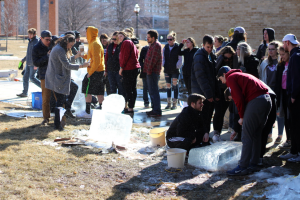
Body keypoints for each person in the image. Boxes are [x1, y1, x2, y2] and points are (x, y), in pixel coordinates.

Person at [217, 66, 271, 176]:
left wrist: (242, 117)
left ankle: (242, 166)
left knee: (246, 135)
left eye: (221, 79)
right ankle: (253, 164)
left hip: (256, 101)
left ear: (223, 74)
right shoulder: (241, 75)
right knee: (256, 134)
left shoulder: (231, 77)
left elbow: (238, 99)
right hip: (266, 100)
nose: (222, 82)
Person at [45, 34, 90, 130]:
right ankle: (57, 125)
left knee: (61, 101)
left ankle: (58, 123)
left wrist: (76, 56)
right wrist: (82, 65)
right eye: (71, 45)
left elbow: (66, 60)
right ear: (66, 42)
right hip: (57, 79)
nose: (71, 47)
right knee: (60, 102)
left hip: (57, 77)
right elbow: (67, 65)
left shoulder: (59, 48)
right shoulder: (60, 50)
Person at [191, 35, 220, 133]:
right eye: (208, 47)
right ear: (203, 45)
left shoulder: (210, 56)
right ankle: (202, 138)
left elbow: (213, 77)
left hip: (207, 93)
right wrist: (209, 95)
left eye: (212, 47)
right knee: (202, 118)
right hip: (202, 93)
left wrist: (215, 94)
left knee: (208, 117)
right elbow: (201, 78)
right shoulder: (200, 57)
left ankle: (206, 136)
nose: (210, 49)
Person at [279, 34, 300, 162]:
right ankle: (294, 151)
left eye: (284, 43)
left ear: (287, 43)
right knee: (293, 124)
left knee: (296, 125)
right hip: (294, 96)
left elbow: (296, 79)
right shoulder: (295, 55)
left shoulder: (295, 57)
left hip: (296, 98)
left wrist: (293, 95)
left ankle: (297, 152)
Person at [77, 26, 105, 118]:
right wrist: (82, 55)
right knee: (99, 91)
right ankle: (101, 110)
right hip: (98, 71)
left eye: (86, 32)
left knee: (87, 90)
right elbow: (91, 57)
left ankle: (88, 111)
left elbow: (96, 62)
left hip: (95, 71)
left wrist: (89, 74)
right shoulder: (93, 42)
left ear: (90, 33)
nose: (85, 34)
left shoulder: (95, 44)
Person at [259, 41, 282, 143]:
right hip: (268, 90)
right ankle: (269, 134)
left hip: (279, 89)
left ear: (277, 50)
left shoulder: (281, 61)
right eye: (269, 49)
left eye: (273, 49)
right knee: (269, 113)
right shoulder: (265, 63)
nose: (271, 51)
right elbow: (261, 76)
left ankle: (280, 135)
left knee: (280, 113)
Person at [212, 46, 236, 142]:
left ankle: (219, 132)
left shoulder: (233, 62)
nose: (227, 60)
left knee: (224, 111)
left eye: (229, 58)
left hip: (228, 90)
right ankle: (216, 132)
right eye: (225, 58)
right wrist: (216, 94)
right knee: (218, 112)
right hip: (219, 91)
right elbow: (215, 77)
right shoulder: (219, 62)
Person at [32, 30, 52, 125]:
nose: (49, 41)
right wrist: (47, 56)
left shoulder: (53, 44)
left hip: (55, 75)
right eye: (47, 40)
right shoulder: (36, 48)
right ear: (41, 38)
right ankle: (46, 118)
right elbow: (36, 63)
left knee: (59, 97)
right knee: (45, 98)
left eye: (50, 39)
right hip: (44, 75)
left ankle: (61, 118)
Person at [118, 31, 141, 115]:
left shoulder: (126, 42)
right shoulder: (130, 42)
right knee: (132, 89)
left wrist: (121, 67)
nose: (119, 38)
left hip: (129, 68)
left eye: (121, 36)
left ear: (125, 36)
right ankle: (130, 107)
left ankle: (129, 108)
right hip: (133, 68)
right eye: (118, 37)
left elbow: (125, 56)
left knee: (128, 89)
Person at [143, 30, 163, 117]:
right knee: (151, 92)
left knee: (154, 91)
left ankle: (157, 110)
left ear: (153, 38)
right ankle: (154, 109)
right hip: (150, 72)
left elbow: (152, 61)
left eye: (148, 37)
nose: (147, 39)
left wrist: (148, 72)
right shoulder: (152, 45)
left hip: (153, 73)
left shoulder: (156, 46)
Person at [17, 28, 41, 97]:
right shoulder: (30, 41)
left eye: (31, 34)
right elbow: (29, 53)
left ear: (34, 34)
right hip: (28, 63)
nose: (29, 36)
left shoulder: (37, 41)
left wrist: (37, 64)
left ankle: (45, 89)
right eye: (29, 34)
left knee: (32, 78)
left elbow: (38, 53)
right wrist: (23, 60)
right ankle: (24, 93)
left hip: (34, 63)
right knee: (25, 77)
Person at [163, 31, 183, 110]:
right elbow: (163, 57)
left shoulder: (178, 47)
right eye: (168, 39)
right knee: (168, 87)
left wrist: (177, 66)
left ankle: (174, 104)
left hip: (175, 70)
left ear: (174, 40)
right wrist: (163, 64)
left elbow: (180, 58)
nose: (169, 41)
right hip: (167, 69)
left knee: (175, 86)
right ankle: (169, 103)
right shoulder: (166, 47)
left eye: (170, 39)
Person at [275, 46, 291, 146]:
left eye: (283, 54)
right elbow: (278, 80)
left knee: (292, 117)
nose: (281, 57)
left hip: (291, 93)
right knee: (285, 116)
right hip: (283, 93)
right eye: (280, 55)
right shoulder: (280, 65)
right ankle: (288, 138)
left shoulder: (293, 63)